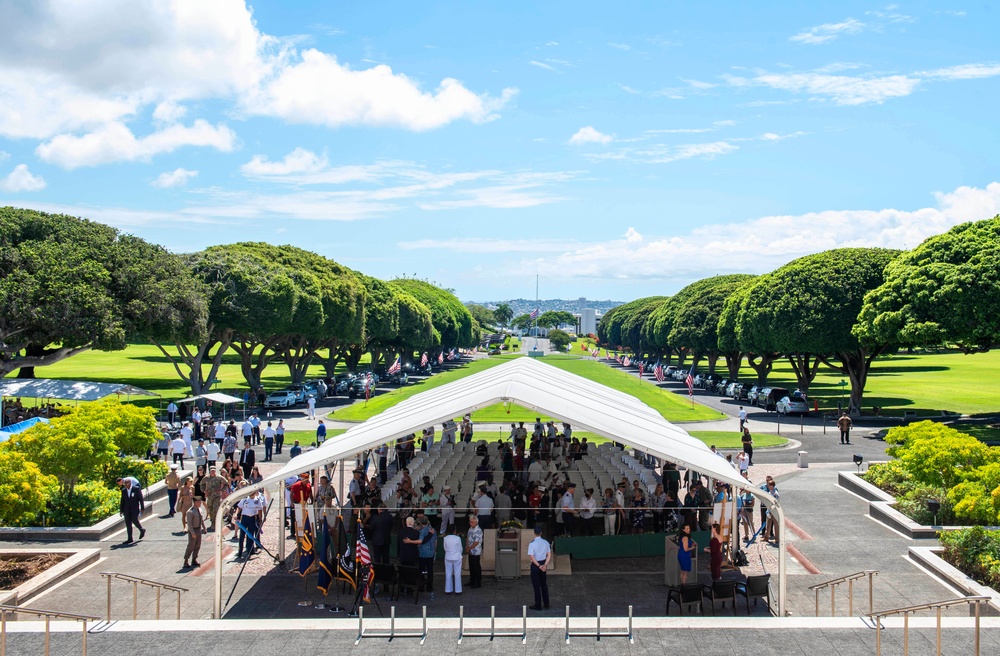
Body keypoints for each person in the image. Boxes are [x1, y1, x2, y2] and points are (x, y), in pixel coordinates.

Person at [527, 525, 551, 610]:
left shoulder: (532, 544)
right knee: (544, 584)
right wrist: (545, 565)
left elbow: (532, 558)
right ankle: (546, 603)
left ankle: (538, 605)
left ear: (534, 533)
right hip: (543, 564)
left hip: (536, 565)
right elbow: (549, 555)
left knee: (536, 586)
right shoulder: (546, 542)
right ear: (541, 533)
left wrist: (539, 566)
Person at [119, 478, 145, 544]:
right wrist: (121, 510)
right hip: (126, 510)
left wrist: (142, 508)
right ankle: (130, 538)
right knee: (128, 524)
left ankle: (141, 529)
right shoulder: (124, 490)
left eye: (127, 484)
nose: (126, 485)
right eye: (125, 484)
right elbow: (122, 501)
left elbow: (140, 499)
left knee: (134, 520)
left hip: (134, 509)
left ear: (130, 483)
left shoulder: (136, 489)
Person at [202, 466, 227, 531]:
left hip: (217, 496)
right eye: (211, 471)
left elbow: (226, 483)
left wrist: (222, 490)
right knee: (210, 508)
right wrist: (204, 490)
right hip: (210, 496)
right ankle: (212, 522)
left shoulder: (219, 478)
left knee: (215, 509)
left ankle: (216, 523)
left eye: (213, 471)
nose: (212, 473)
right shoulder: (206, 478)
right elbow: (202, 484)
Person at [184, 496, 205, 568]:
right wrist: (192, 533)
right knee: (191, 545)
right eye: (199, 502)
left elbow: (201, 520)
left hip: (199, 529)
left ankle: (194, 559)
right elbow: (189, 523)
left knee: (198, 545)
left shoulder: (200, 510)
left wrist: (204, 528)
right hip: (193, 529)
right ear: (195, 502)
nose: (200, 503)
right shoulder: (190, 512)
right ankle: (186, 560)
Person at [442, 525, 463, 594]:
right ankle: (458, 590)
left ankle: (448, 589)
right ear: (454, 530)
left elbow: (445, 548)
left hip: (448, 556)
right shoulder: (458, 538)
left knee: (448, 573)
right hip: (456, 556)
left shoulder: (445, 538)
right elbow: (460, 548)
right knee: (457, 573)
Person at [466, 515, 483, 588]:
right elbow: (467, 537)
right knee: (471, 566)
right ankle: (472, 580)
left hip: (476, 552)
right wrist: (467, 547)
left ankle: (478, 582)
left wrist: (469, 548)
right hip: (470, 551)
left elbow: (476, 542)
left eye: (472, 522)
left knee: (476, 567)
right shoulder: (470, 529)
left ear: (476, 522)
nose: (471, 523)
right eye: (470, 522)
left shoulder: (478, 530)